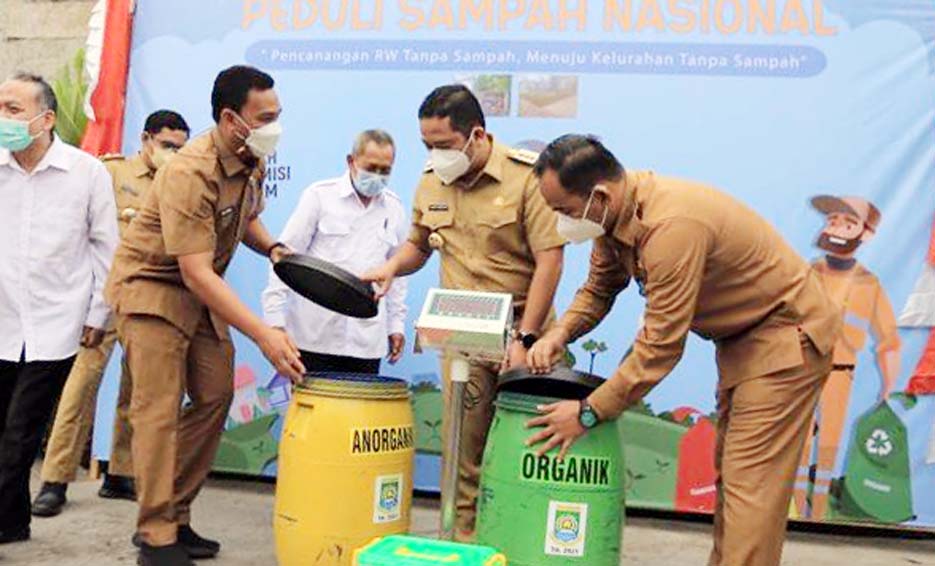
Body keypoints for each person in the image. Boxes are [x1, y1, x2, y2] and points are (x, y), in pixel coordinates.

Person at [524, 135, 841, 566]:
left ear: (597, 195)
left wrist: (587, 412)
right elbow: (599, 288)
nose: (562, 223)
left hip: (786, 338)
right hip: (744, 343)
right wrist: (557, 334)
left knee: (751, 486)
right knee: (733, 478)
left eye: (563, 211)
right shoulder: (612, 215)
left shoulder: (671, 227)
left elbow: (660, 347)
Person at [105, 65, 304, 566]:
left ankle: (174, 511)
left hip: (198, 291)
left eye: (277, 116)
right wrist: (264, 334)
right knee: (158, 410)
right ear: (231, 118)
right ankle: (155, 535)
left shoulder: (249, 157)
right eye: (265, 117)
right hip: (153, 286)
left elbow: (245, 218)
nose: (274, 126)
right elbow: (194, 271)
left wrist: (276, 250)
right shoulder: (189, 170)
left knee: (215, 394)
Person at [362, 85, 565, 541]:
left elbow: (550, 260)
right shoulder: (431, 179)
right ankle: (464, 544)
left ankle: (521, 542)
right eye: (427, 145)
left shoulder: (527, 177)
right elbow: (418, 244)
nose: (435, 154)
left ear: (476, 135)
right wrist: (393, 266)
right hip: (462, 330)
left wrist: (527, 338)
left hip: (521, 329)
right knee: (462, 454)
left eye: (444, 145)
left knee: (526, 448)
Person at [31, 110, 191, 518]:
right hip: (104, 297)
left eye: (180, 147)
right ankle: (55, 479)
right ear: (146, 139)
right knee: (80, 387)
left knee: (137, 390)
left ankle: (121, 472)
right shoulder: (109, 172)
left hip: (150, 299)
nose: (173, 153)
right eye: (167, 145)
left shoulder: (181, 183)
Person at [0, 72, 118, 544]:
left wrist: (97, 314)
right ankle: (12, 523)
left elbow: (106, 249)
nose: (3, 118)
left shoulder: (86, 173)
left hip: (57, 324)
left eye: (13, 109)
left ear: (46, 119)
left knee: (18, 433)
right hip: (3, 320)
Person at [262, 129, 408, 373]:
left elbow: (398, 272)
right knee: (313, 411)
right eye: (371, 168)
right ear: (351, 161)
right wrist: (274, 322)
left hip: (365, 342)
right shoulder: (319, 196)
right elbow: (283, 259)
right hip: (313, 337)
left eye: (385, 171)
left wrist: (396, 325)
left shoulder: (394, 208)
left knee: (362, 412)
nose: (377, 176)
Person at [793, 195, 900, 520]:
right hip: (800, 369)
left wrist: (887, 389)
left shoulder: (869, 284)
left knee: (828, 445)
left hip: (840, 373)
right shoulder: (807, 272)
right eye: (832, 220)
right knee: (798, 442)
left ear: (865, 234)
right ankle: (795, 510)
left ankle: (820, 513)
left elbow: (889, 340)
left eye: (848, 223)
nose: (836, 228)